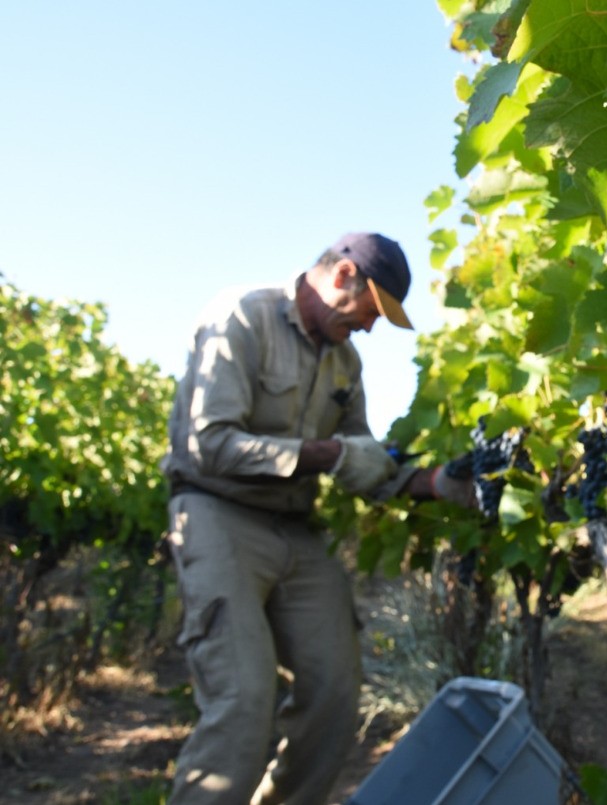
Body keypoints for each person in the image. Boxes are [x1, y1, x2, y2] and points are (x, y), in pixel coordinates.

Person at [161, 232, 472, 804]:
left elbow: (365, 461)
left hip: (295, 526)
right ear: (344, 275)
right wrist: (323, 454)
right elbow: (208, 445)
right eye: (373, 312)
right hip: (215, 511)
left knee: (334, 693)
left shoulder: (344, 362)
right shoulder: (242, 317)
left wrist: (435, 484)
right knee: (243, 699)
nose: (372, 329)